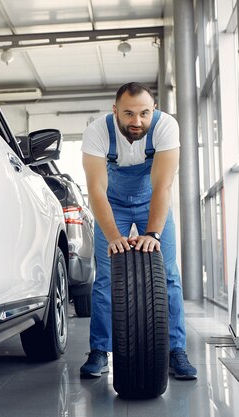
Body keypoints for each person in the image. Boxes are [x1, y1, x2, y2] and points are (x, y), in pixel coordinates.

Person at [80, 82, 197, 380]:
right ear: (115, 111)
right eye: (129, 113)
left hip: (151, 201)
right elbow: (96, 190)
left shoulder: (166, 127)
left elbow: (163, 185)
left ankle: (175, 351)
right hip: (112, 204)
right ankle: (99, 351)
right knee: (106, 276)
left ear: (153, 110)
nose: (136, 121)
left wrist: (153, 233)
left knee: (168, 273)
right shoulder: (96, 132)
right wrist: (114, 238)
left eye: (144, 113)